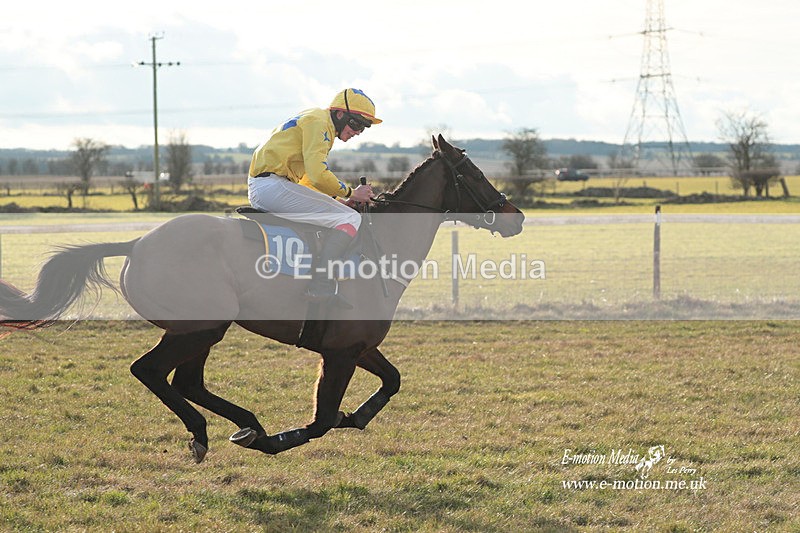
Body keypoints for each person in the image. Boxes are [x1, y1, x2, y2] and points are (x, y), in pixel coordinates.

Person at [247, 88, 380, 304]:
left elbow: (308, 180)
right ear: (339, 114)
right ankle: (322, 284)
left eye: (363, 129)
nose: (357, 132)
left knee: (344, 212)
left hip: (271, 185)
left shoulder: (318, 120)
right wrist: (351, 192)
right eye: (355, 124)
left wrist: (340, 201)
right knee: (351, 218)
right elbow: (319, 175)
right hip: (272, 186)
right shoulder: (320, 124)